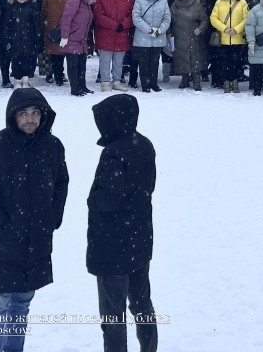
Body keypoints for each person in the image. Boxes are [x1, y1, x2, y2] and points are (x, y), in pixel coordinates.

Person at [0, 87, 68, 352]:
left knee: (22, 303)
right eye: (23, 114)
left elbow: (61, 183)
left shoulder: (53, 146)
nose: (30, 119)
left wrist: (52, 218)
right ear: (13, 116)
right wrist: (2, 225)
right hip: (1, 243)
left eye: (35, 113)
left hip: (36, 241)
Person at [87, 93, 158, 352]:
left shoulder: (114, 152)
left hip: (113, 244)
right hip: (140, 236)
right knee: (142, 304)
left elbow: (108, 199)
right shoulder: (144, 144)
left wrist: (92, 200)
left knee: (112, 315)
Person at [94, 0, 135, 93]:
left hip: (121, 36)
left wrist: (125, 24)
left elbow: (132, 15)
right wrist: (115, 25)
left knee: (118, 61)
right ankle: (105, 82)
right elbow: (99, 16)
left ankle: (117, 81)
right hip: (105, 36)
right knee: (105, 61)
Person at [59, 0, 101, 96]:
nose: (95, 1)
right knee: (73, 66)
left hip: (81, 40)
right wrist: (64, 36)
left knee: (81, 65)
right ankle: (75, 89)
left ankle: (82, 86)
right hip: (71, 39)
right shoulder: (75, 1)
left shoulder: (86, 4)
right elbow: (66, 19)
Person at [132, 0, 172, 93]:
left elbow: (167, 18)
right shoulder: (139, 1)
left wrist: (160, 30)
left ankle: (153, 83)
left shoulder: (163, 2)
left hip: (158, 38)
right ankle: (145, 84)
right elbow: (136, 18)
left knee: (154, 62)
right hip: (142, 38)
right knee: (143, 63)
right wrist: (149, 30)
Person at [209, 0, 248, 93]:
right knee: (225, 62)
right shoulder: (219, 3)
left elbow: (246, 19)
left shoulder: (243, 3)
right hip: (223, 39)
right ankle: (226, 82)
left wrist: (236, 30)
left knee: (236, 62)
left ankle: (234, 82)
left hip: (238, 39)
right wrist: (225, 29)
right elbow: (213, 18)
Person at [1, 0, 42, 90]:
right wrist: (6, 37)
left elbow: (36, 23)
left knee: (28, 60)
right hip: (15, 40)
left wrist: (38, 36)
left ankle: (26, 79)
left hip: (29, 39)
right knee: (16, 61)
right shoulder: (11, 8)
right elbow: (6, 24)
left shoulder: (32, 8)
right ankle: (17, 80)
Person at [169, 0, 208, 91]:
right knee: (181, 57)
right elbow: (169, 20)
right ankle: (184, 78)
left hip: (193, 36)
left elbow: (204, 19)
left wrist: (200, 29)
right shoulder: (175, 5)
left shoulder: (197, 4)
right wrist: (169, 32)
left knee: (195, 58)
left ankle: (196, 80)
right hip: (179, 36)